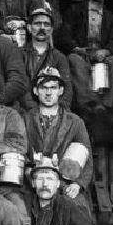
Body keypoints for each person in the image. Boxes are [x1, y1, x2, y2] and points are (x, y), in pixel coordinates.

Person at [56, 0, 113, 118]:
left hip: (100, 54)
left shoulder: (111, 16)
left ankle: (105, 105)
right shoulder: (75, 10)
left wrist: (106, 51)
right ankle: (88, 104)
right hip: (80, 52)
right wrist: (76, 48)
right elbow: (64, 35)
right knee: (74, 60)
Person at [24, 68, 92, 203]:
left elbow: (87, 156)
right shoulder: (24, 120)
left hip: (63, 182)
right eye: (43, 88)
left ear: (60, 91)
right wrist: (28, 172)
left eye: (53, 88)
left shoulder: (75, 122)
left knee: (77, 206)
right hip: (33, 181)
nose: (48, 93)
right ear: (36, 91)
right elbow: (18, 150)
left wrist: (78, 184)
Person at [20, 11, 73, 112]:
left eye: (47, 25)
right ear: (29, 28)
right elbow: (20, 85)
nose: (42, 28)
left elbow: (67, 87)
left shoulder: (59, 57)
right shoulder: (19, 54)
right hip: (25, 109)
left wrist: (59, 109)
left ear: (51, 30)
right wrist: (35, 109)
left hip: (54, 109)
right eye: (38, 24)